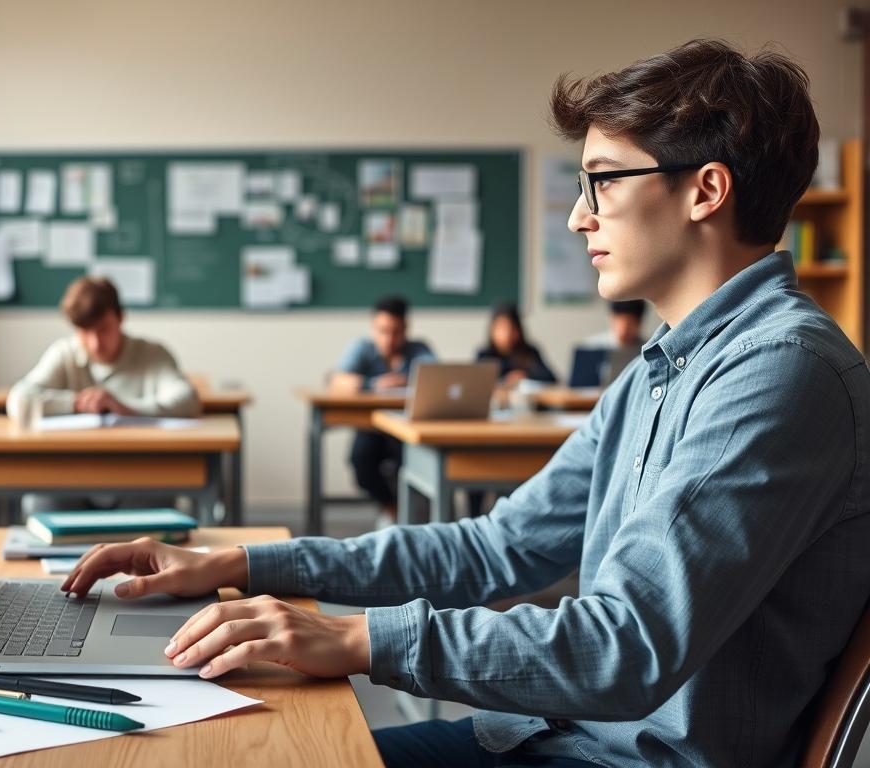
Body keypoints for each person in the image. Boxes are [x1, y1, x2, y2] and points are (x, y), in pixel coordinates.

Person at [58, 40, 870, 768]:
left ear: (707, 191)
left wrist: (353, 639)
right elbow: (494, 547)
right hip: (557, 736)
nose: (579, 214)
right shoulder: (661, 369)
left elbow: (625, 646)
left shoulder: (780, 375)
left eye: (603, 182)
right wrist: (242, 563)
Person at [10, 276, 199, 512]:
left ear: (120, 318)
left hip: (138, 480)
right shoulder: (65, 353)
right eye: (85, 332)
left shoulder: (152, 354)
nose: (95, 343)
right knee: (39, 502)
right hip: (70, 479)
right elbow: (19, 400)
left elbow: (188, 399)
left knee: (158, 502)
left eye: (103, 330)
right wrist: (77, 403)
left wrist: (126, 408)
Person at [329, 295, 436, 520]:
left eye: (395, 332)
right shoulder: (362, 349)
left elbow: (439, 379)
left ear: (406, 329)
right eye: (383, 331)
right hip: (372, 428)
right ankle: (393, 508)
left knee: (417, 461)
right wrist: (373, 384)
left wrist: (408, 380)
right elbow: (338, 379)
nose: (389, 338)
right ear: (373, 328)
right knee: (360, 459)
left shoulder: (418, 350)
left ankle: (414, 514)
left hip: (406, 428)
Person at [476, 302, 557, 388]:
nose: (507, 334)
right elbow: (478, 383)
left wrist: (525, 376)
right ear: (492, 330)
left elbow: (550, 378)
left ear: (519, 330)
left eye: (512, 328)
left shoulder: (530, 353)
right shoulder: (485, 355)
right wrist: (506, 380)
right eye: (502, 328)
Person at [580, 299, 646, 349]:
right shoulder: (591, 347)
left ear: (639, 323)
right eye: (620, 323)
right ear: (611, 319)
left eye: (630, 324)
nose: (624, 331)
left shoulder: (647, 349)